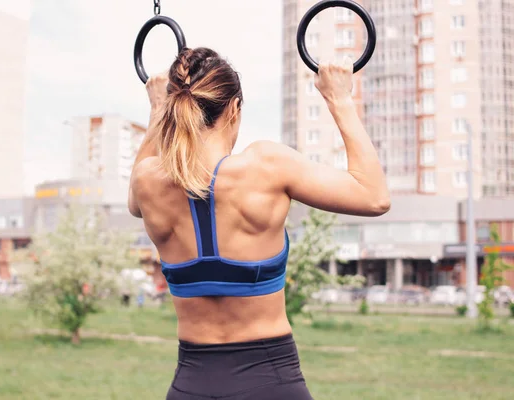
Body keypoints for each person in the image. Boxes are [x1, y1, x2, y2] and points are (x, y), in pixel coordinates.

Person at [128, 47, 390, 400]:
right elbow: (374, 197)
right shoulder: (267, 166)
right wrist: (338, 98)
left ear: (177, 107)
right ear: (234, 109)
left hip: (191, 385)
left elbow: (134, 202)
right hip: (270, 382)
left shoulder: (148, 181)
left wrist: (158, 110)